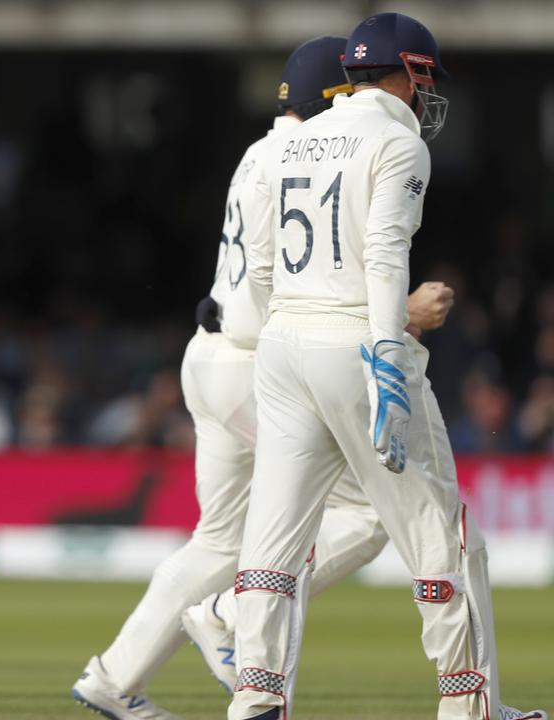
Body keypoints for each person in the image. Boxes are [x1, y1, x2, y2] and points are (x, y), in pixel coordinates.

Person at [71, 36, 458, 720]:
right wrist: (403, 311)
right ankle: (228, 613)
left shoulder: (262, 150)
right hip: (263, 362)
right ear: (335, 95)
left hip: (210, 355)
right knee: (366, 515)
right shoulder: (309, 153)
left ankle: (112, 677)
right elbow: (311, 286)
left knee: (219, 539)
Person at [227, 14, 544, 720]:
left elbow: (259, 270)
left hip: (282, 347)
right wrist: (388, 360)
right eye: (425, 78)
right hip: (354, 345)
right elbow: (383, 255)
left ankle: (255, 699)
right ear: (407, 72)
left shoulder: (291, 140)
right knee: (442, 531)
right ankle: (470, 708)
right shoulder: (397, 142)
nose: (426, 94)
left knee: (272, 537)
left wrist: (278, 334)